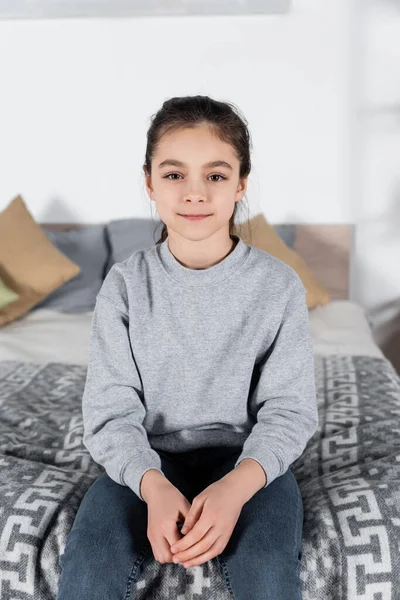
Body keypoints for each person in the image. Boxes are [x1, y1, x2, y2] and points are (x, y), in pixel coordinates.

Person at [57, 95, 318, 600]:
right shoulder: (125, 285)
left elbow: (289, 409)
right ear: (150, 182)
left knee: (266, 567)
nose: (195, 193)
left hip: (248, 463)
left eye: (216, 176)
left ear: (241, 183)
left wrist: (238, 486)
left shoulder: (279, 286)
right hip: (148, 458)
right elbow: (110, 410)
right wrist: (152, 486)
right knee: (89, 564)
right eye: (175, 175)